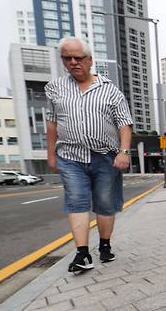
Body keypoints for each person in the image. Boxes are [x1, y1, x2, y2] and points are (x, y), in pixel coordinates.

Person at [45, 37, 133, 273]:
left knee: (105, 205)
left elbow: (125, 124)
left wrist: (124, 152)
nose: (73, 62)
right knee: (77, 203)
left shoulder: (110, 90)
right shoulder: (55, 88)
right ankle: (82, 254)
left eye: (78, 58)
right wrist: (51, 155)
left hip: (105, 157)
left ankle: (104, 246)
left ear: (90, 60)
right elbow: (52, 124)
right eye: (67, 58)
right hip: (70, 156)